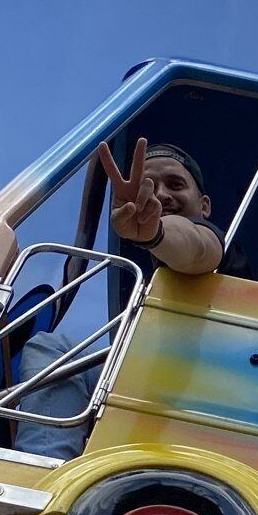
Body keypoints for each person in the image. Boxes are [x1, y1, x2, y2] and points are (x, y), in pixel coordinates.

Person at [14, 138, 245, 460]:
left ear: (204, 205)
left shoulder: (213, 242)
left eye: (175, 184)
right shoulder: (156, 278)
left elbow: (196, 248)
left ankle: (42, 466)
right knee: (55, 351)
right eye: (148, 187)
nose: (161, 194)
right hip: (163, 381)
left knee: (55, 350)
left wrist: (155, 234)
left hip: (217, 384)